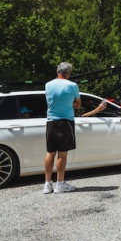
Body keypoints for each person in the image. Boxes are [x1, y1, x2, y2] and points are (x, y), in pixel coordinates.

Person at [43, 62, 82, 194]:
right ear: (69, 73)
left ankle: (47, 184)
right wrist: (69, 104)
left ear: (57, 71)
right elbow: (78, 104)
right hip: (66, 122)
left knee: (50, 152)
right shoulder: (72, 86)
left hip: (51, 122)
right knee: (62, 153)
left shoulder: (48, 85)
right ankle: (60, 183)